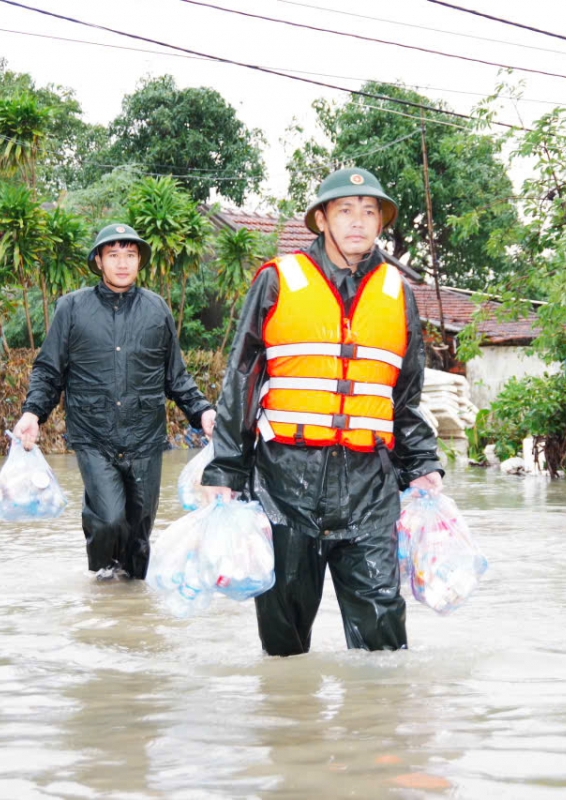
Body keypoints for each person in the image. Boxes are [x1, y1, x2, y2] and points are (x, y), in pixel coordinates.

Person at [201, 167, 443, 656]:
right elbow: (243, 379)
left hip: (370, 485)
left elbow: (406, 395)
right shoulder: (277, 280)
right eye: (345, 211)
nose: (359, 222)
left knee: (383, 638)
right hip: (286, 481)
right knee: (285, 645)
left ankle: (377, 728)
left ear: (381, 223)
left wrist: (422, 466)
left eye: (369, 212)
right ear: (322, 220)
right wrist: (225, 468)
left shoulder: (399, 293)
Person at [13, 223, 216, 581]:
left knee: (139, 537)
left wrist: (203, 413)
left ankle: (130, 613)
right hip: (94, 437)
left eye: (131, 255)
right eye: (113, 255)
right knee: (108, 520)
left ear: (139, 261)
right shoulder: (72, 309)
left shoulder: (157, 310)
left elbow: (176, 378)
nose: (123, 263)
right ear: (98, 261)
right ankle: (103, 588)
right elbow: (48, 371)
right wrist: (32, 413)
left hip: (144, 439)